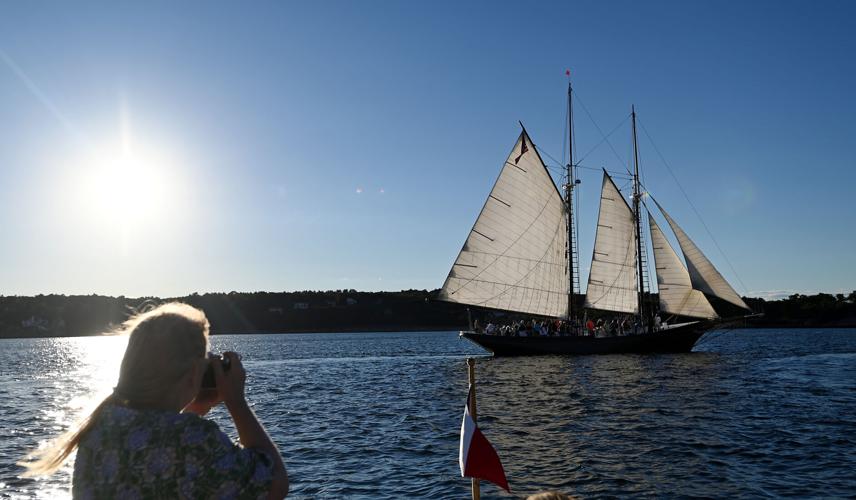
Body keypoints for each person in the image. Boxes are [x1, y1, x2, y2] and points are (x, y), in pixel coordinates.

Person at [19, 303, 289, 499]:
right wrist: (236, 401)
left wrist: (194, 409)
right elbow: (273, 485)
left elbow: (157, 449)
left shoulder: (101, 425)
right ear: (195, 372)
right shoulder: (192, 438)